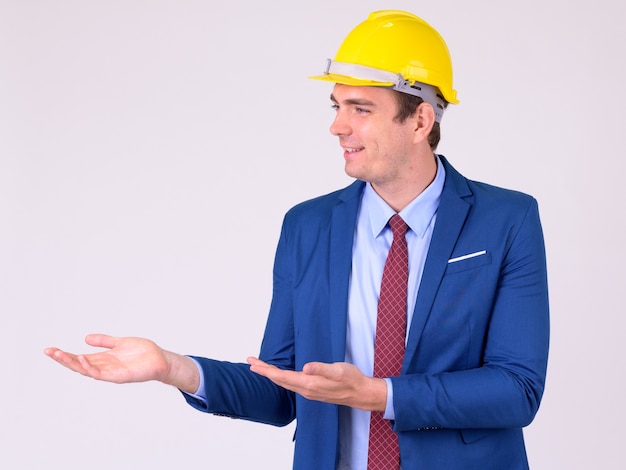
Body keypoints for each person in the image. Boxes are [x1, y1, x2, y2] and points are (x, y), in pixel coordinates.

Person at [45, 10, 549, 470]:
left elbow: (517, 389)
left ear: (420, 119)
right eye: (336, 105)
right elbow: (282, 390)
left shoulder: (507, 219)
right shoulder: (307, 226)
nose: (337, 126)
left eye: (361, 108)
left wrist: (378, 394)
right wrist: (173, 367)